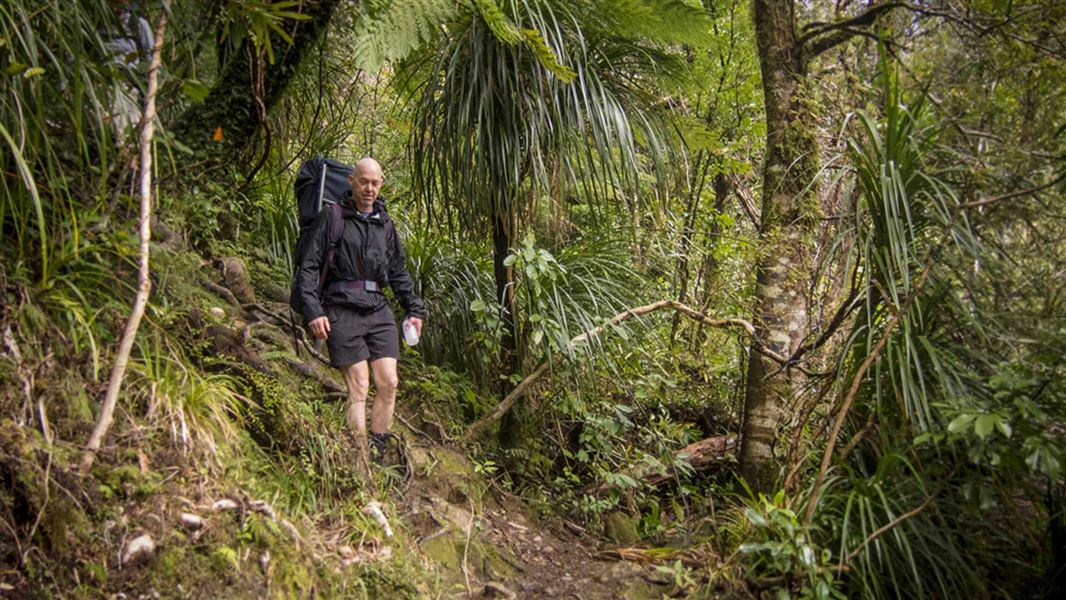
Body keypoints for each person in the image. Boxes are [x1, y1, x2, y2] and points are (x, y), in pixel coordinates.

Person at [293, 158, 425, 468]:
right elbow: (309, 267)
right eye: (363, 181)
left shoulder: (385, 225)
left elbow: (398, 273)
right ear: (351, 181)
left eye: (375, 183)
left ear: (381, 185)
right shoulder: (332, 217)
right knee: (360, 385)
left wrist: (414, 309)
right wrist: (313, 310)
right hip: (340, 306)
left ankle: (377, 454)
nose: (369, 188)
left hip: (377, 307)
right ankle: (359, 459)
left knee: (389, 382)